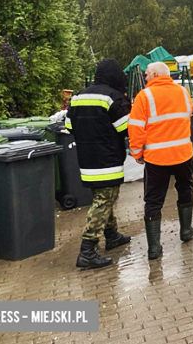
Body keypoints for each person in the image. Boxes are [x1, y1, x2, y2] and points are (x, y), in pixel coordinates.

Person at [67, 59, 132, 269]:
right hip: (108, 159)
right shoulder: (112, 97)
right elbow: (125, 128)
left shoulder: (77, 97)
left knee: (102, 196)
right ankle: (87, 250)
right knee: (105, 200)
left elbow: (69, 126)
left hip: (87, 159)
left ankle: (112, 235)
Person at [129, 61, 193, 260]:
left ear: (156, 74)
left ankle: (154, 248)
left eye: (147, 74)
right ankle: (186, 230)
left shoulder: (144, 96)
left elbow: (135, 128)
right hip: (183, 154)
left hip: (157, 158)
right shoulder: (182, 92)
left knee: (153, 200)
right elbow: (188, 113)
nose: (146, 78)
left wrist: (136, 153)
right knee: (185, 188)